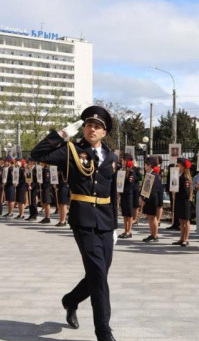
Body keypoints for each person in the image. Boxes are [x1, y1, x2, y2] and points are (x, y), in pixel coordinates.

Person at [31, 105, 118, 341]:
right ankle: (104, 332)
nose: (92, 129)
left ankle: (70, 300)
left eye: (97, 126)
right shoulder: (71, 151)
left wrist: (116, 226)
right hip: (84, 220)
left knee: (99, 273)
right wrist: (60, 135)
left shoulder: (111, 157)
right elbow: (36, 155)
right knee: (98, 273)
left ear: (104, 132)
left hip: (106, 222)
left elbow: (113, 192)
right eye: (89, 125)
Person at [140, 156, 163, 243]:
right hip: (147, 199)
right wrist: (141, 197)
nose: (145, 166)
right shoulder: (148, 174)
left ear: (150, 165)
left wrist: (145, 199)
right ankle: (152, 234)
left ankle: (155, 235)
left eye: (146, 164)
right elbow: (143, 187)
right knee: (149, 217)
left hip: (152, 199)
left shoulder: (155, 176)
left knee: (153, 218)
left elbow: (153, 190)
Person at [173, 158, 192, 247]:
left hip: (184, 201)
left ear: (183, 167)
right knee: (181, 220)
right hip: (179, 200)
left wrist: (177, 190)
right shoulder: (178, 175)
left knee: (185, 221)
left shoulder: (185, 178)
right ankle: (181, 238)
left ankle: (186, 239)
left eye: (178, 165)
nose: (177, 166)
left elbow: (186, 192)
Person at [118, 156, 138, 239]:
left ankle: (129, 231)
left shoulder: (131, 171)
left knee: (129, 214)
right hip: (123, 194)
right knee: (125, 213)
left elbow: (130, 181)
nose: (122, 162)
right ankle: (125, 230)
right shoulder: (122, 170)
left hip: (129, 194)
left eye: (124, 160)